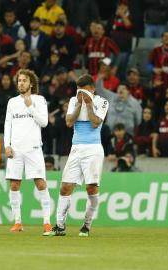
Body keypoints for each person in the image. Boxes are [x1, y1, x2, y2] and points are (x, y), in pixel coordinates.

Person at [50, 74, 109, 237]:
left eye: (83, 90)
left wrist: (89, 105)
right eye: (78, 90)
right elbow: (69, 122)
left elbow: (96, 123)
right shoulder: (73, 101)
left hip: (93, 149)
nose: (80, 93)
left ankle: (87, 225)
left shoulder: (102, 102)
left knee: (91, 188)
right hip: (76, 149)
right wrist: (79, 105)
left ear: (92, 89)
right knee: (65, 187)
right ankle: (60, 226)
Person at [4, 69, 51, 234]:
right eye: (19, 80)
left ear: (31, 83)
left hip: (33, 149)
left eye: (24, 80)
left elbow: (44, 122)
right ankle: (17, 222)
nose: (21, 83)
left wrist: (30, 107)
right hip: (15, 150)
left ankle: (47, 223)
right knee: (14, 184)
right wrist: (7, 145)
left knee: (40, 183)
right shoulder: (12, 102)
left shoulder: (39, 100)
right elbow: (7, 124)